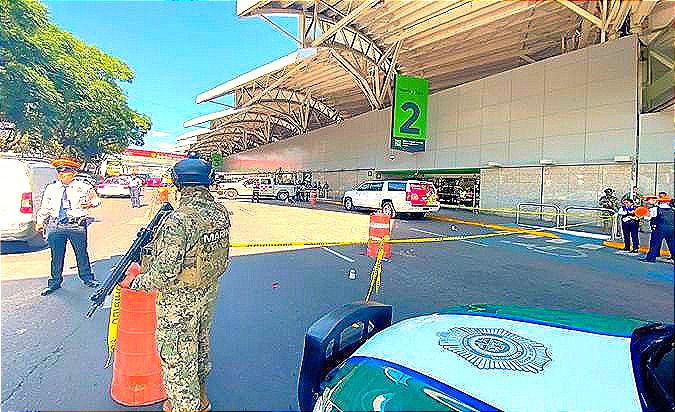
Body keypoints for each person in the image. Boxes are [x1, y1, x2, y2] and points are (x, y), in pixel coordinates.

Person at [120, 152, 230, 411]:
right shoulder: (220, 212)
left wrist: (134, 283)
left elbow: (164, 273)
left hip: (179, 301)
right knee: (201, 345)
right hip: (208, 290)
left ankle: (186, 406)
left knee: (178, 358)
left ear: (178, 183)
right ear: (208, 181)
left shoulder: (179, 220)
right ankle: (201, 399)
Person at [36, 158, 100, 296]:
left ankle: (87, 278)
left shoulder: (83, 186)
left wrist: (90, 204)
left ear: (74, 173)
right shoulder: (51, 188)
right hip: (56, 224)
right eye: (59, 173)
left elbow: (96, 200)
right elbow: (45, 207)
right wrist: (40, 221)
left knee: (81, 253)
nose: (61, 175)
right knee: (56, 255)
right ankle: (54, 282)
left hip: (76, 225)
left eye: (65, 173)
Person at [639, 194, 674, 263]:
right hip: (671, 229)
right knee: (672, 244)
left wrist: (642, 216)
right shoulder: (672, 209)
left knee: (655, 243)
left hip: (659, 228)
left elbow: (647, 218)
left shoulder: (655, 209)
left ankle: (651, 258)